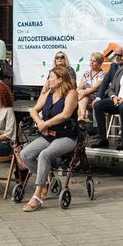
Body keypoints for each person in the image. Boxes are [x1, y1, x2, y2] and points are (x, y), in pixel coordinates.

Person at [20, 67, 79, 212]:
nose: (48, 80)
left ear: (60, 80)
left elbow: (65, 114)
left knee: (44, 155)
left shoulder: (71, 93)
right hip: (48, 135)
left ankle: (37, 195)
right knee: (25, 154)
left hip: (66, 136)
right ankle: (46, 181)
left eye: (51, 77)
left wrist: (46, 123)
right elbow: (34, 110)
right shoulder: (48, 93)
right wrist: (39, 123)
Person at [77, 52, 106, 122]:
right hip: (84, 96)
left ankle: (82, 117)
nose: (91, 62)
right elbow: (80, 86)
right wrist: (77, 92)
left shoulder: (103, 74)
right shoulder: (87, 73)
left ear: (99, 63)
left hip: (96, 97)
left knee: (84, 95)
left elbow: (95, 88)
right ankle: (82, 117)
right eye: (91, 60)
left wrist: (83, 93)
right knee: (80, 94)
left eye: (94, 61)